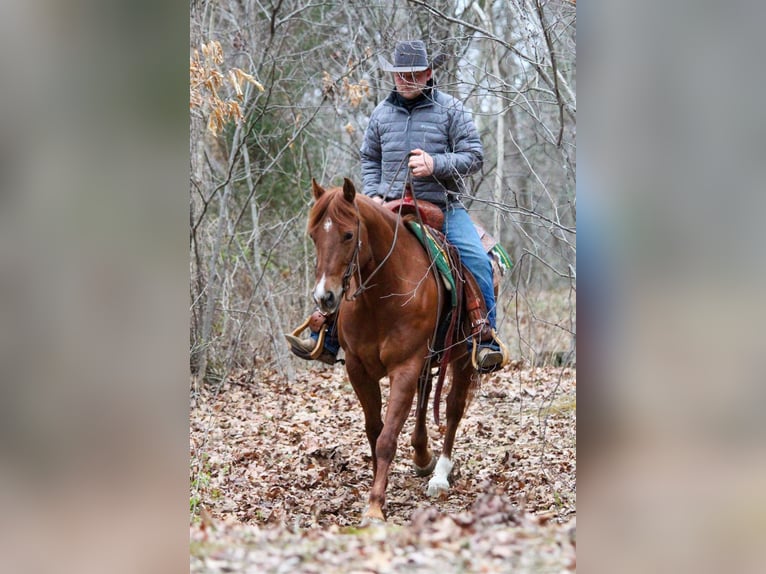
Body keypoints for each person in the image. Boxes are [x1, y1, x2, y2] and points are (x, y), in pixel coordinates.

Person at [287, 40, 506, 372]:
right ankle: (328, 336)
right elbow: (370, 158)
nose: (406, 80)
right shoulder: (381, 113)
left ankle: (483, 338)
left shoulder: (451, 109)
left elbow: (474, 156)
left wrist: (436, 163)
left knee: (474, 258)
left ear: (428, 74)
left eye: (413, 74)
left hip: (441, 206)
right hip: (388, 207)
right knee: (350, 253)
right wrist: (373, 194)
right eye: (400, 75)